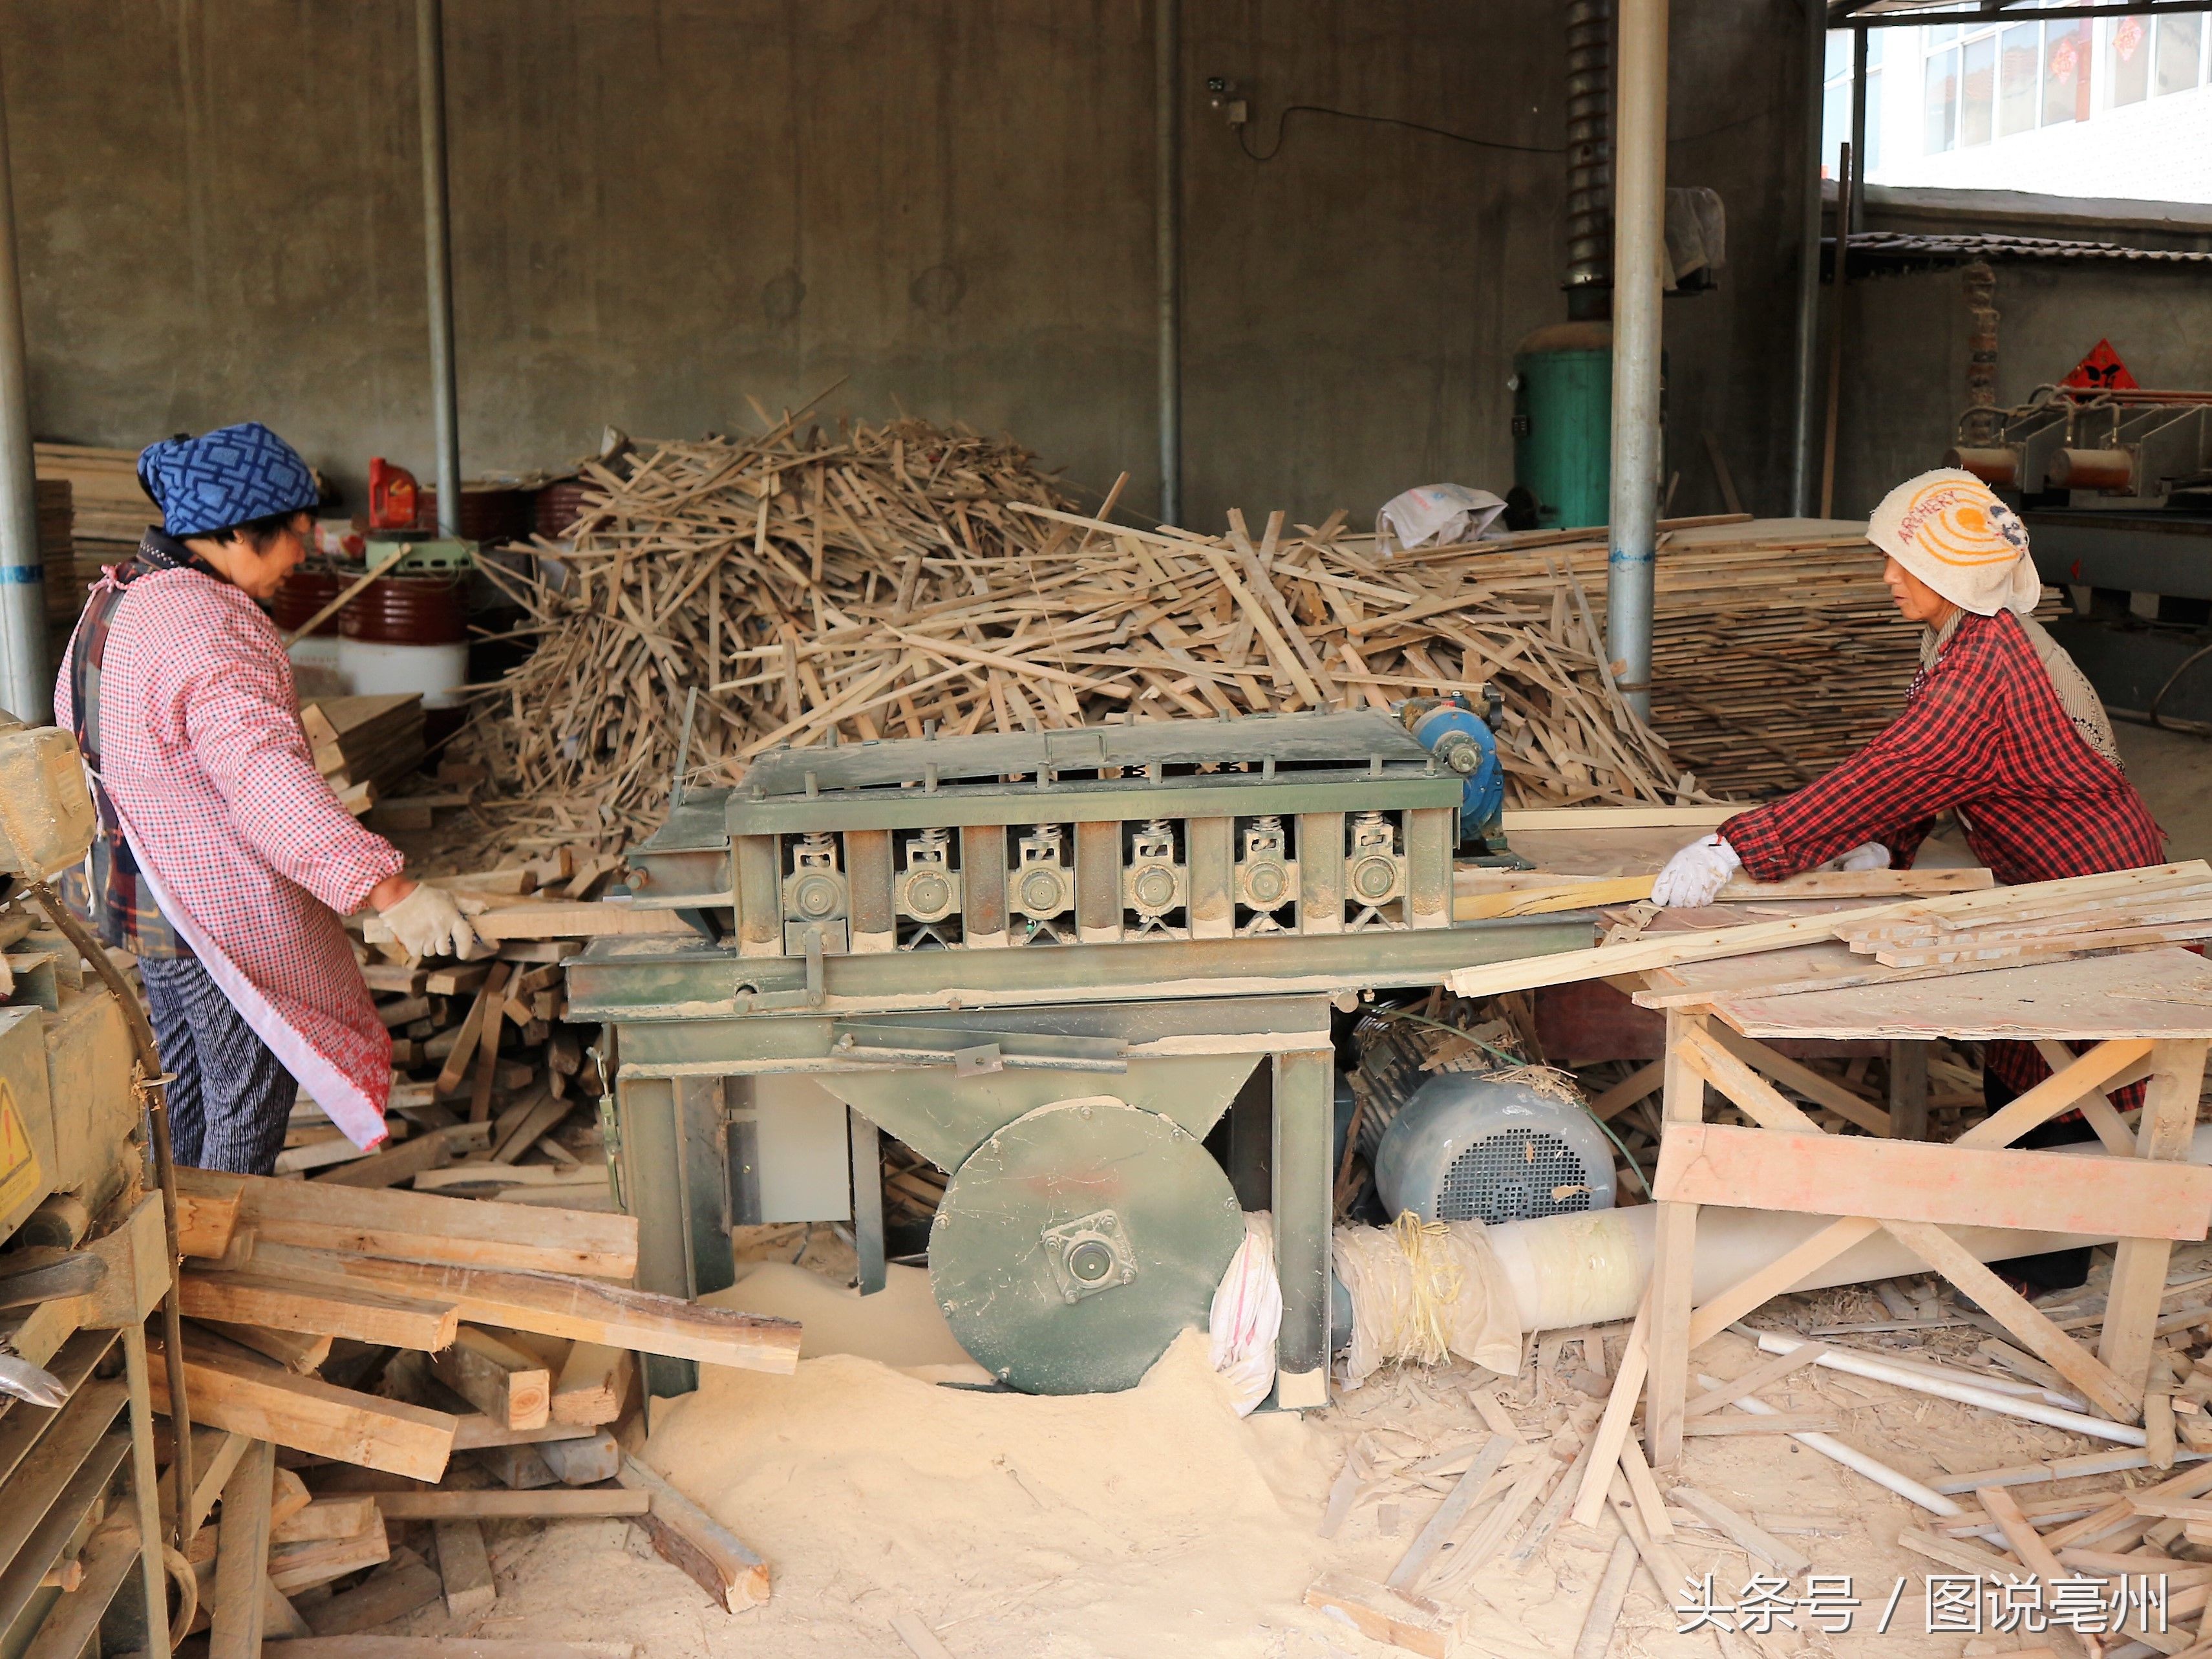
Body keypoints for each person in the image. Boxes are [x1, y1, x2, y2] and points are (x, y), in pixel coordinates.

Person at [1649, 469, 2165, 1283]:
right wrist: (1884, 848)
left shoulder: (1984, 669)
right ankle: (2016, 1237)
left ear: (1953, 573)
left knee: (2074, 1071)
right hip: (2050, 885)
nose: (1886, 576)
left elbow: (1902, 766)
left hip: (2095, 892)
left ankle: (2053, 1263)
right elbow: (1928, 768)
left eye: (1901, 562)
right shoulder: (1965, 638)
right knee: (2026, 1054)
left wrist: (1736, 846)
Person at [55, 423, 478, 1175]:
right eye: (295, 531)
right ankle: (215, 1276)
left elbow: (74, 725)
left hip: (135, 892)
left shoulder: (117, 598)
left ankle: (174, 1248)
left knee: (182, 1080)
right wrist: (391, 890)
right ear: (239, 532)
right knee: (245, 1098)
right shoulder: (208, 627)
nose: (306, 549)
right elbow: (265, 784)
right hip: (208, 910)